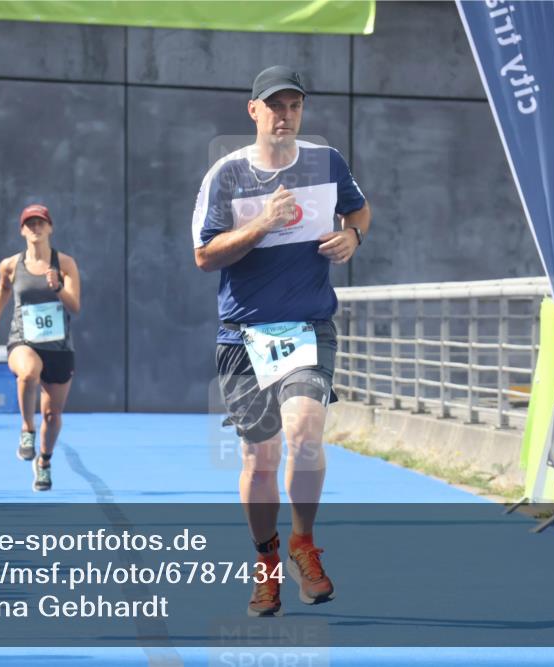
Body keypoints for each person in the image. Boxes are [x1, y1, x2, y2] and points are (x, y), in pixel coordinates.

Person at [192, 66, 371, 616]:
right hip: (244, 334)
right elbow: (204, 256)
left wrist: (353, 235)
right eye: (275, 106)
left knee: (306, 431)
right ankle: (266, 561)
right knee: (260, 457)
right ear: (254, 111)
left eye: (294, 105)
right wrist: (263, 224)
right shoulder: (225, 175)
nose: (285, 115)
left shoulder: (327, 161)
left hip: (308, 326)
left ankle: (302, 544)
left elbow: (359, 207)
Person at [0, 204, 80, 492]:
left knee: (52, 415)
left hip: (59, 347)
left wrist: (59, 288)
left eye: (40, 223)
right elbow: (2, 287)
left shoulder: (64, 264)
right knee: (28, 373)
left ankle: (45, 462)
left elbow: (76, 306)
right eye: (29, 224)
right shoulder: (11, 265)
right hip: (23, 340)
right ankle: (27, 429)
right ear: (22, 230)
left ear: (50, 228)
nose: (35, 228)